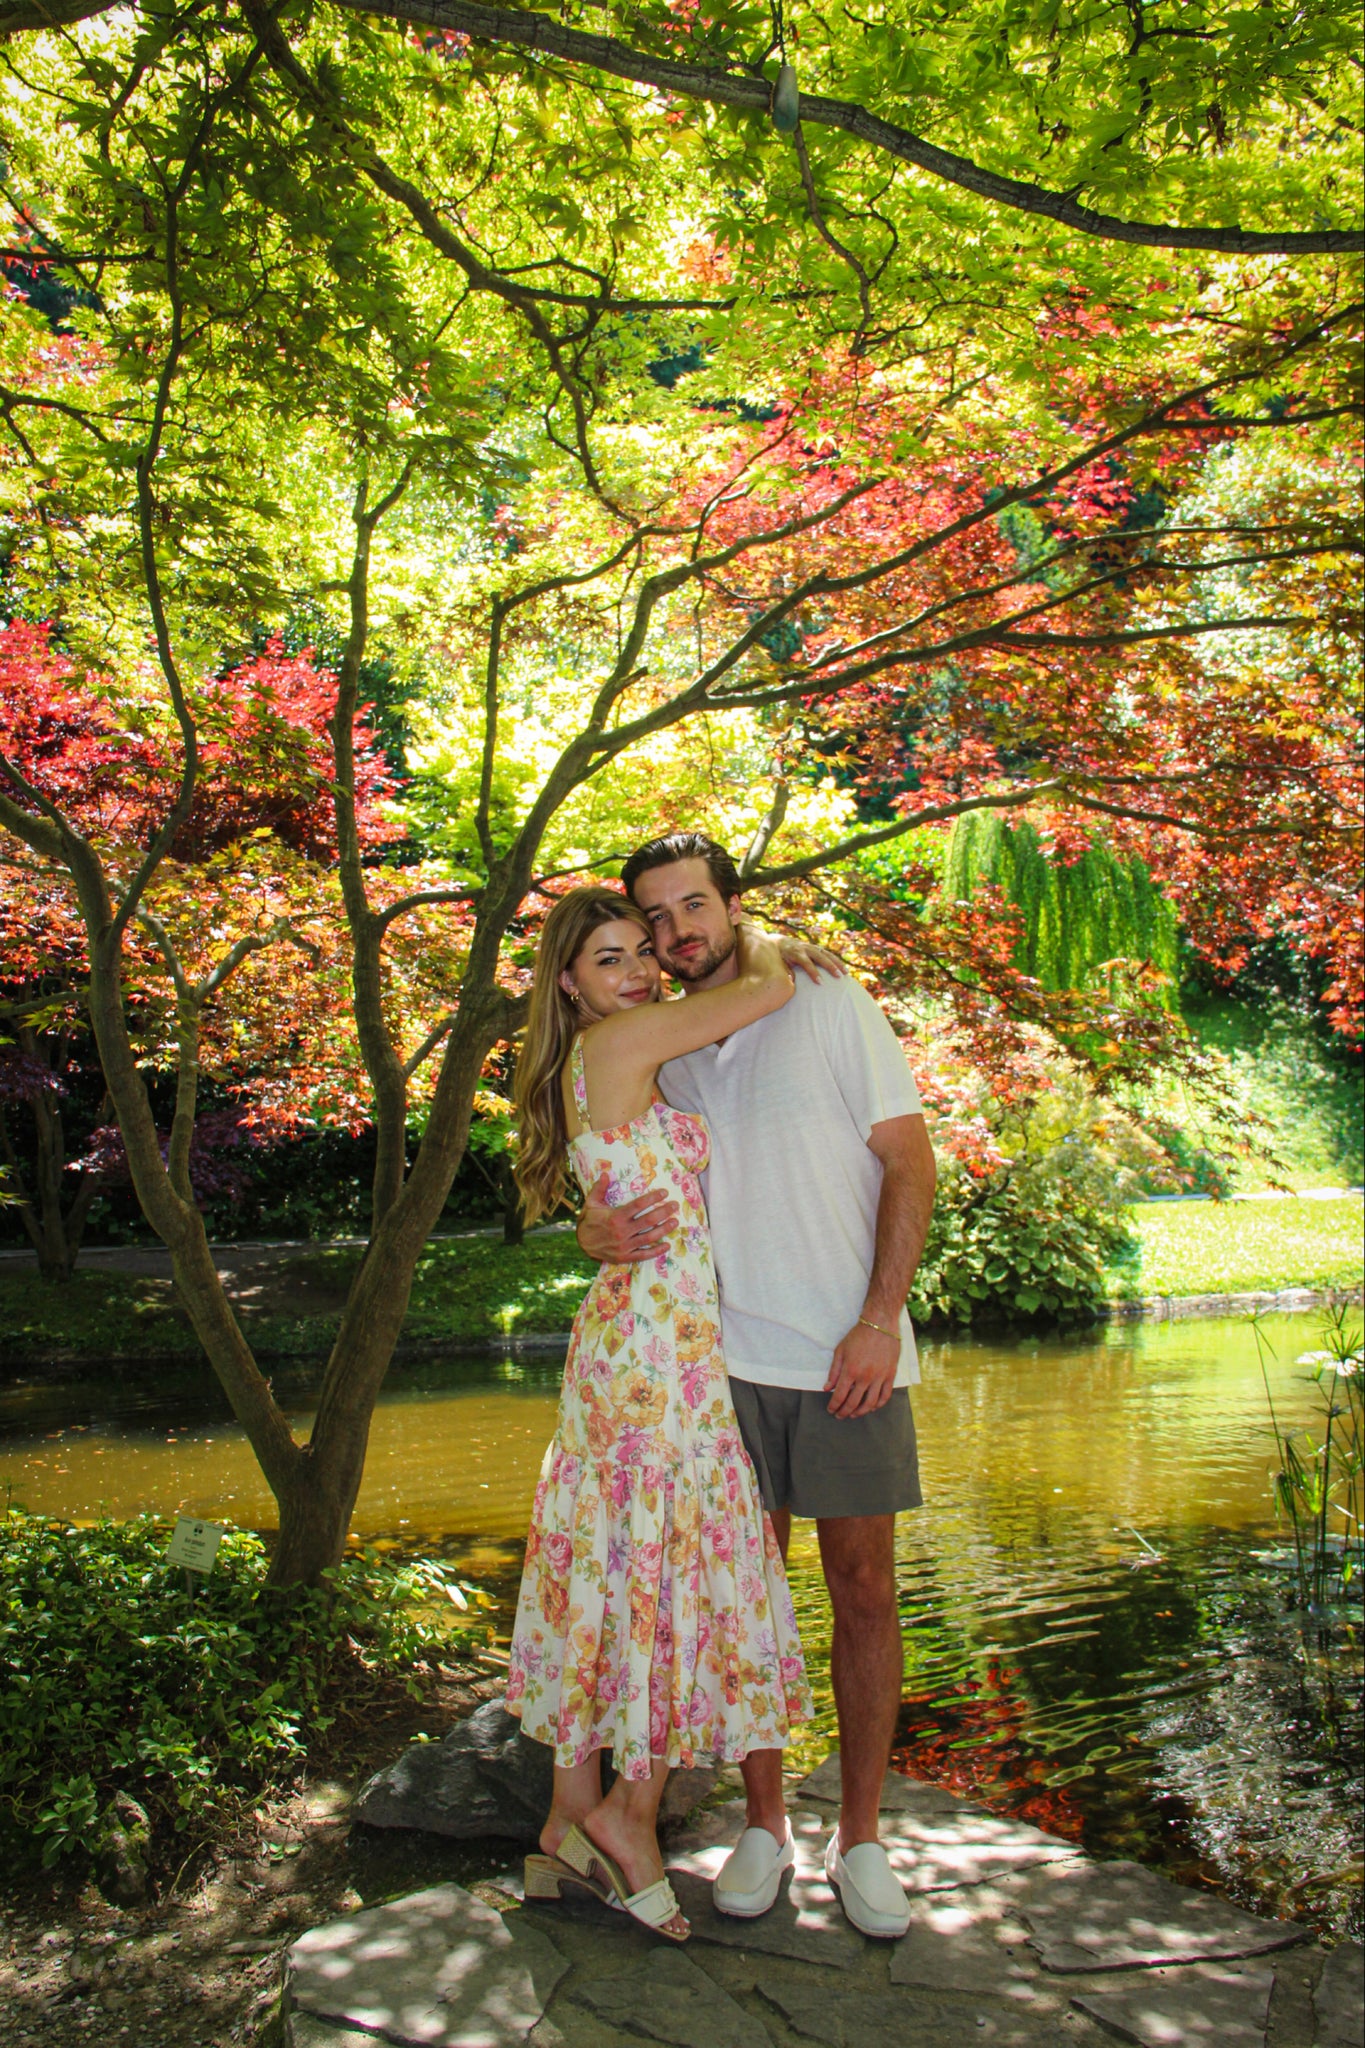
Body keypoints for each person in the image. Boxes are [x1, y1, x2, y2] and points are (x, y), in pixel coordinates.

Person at [577, 833, 936, 1939]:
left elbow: (910, 1159)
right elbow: (614, 1166)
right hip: (714, 1366)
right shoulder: (667, 1040)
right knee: (748, 1599)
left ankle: (862, 1837)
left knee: (863, 1590)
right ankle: (766, 1822)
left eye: (694, 905)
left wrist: (879, 1318)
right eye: (655, 918)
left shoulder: (826, 998)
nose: (678, 931)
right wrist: (591, 1228)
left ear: (735, 905)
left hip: (846, 1356)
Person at [505, 885, 813, 1943]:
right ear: (568, 981)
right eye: (610, 957)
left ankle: (564, 1817)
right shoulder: (630, 1039)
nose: (639, 969)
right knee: (653, 1570)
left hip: (643, 1344)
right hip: (653, 1361)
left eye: (644, 951)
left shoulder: (589, 1057)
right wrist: (766, 933)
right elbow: (765, 988)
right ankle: (629, 1819)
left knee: (613, 1564)